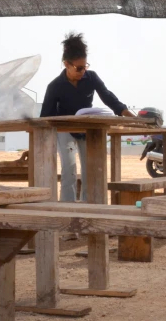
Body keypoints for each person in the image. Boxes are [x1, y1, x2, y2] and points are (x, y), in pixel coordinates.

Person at [40, 33, 136, 202]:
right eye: (78, 68)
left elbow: (108, 97)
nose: (83, 71)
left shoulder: (91, 77)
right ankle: (67, 210)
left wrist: (126, 113)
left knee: (89, 171)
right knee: (69, 171)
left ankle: (87, 207)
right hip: (65, 131)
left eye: (85, 67)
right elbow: (45, 116)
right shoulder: (55, 86)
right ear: (66, 65)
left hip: (86, 129)